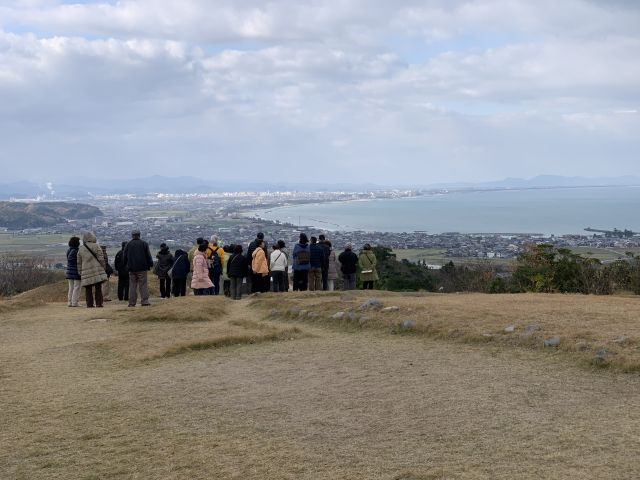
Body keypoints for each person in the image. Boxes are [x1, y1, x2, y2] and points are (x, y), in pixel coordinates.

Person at [123, 229, 154, 307]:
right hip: (142, 268)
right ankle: (145, 301)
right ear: (139, 235)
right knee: (143, 284)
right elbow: (148, 256)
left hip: (132, 268)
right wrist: (150, 264)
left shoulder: (128, 244)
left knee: (132, 285)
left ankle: (132, 302)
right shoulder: (144, 244)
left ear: (132, 235)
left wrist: (126, 265)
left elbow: (124, 257)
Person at [77, 231, 108, 308]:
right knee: (98, 287)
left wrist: (80, 271)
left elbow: (79, 262)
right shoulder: (96, 246)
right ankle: (99, 303)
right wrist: (103, 267)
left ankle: (89, 304)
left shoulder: (81, 249)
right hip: (96, 269)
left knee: (88, 288)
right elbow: (101, 259)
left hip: (85, 270)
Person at [65, 236, 81, 307]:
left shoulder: (69, 250)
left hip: (69, 271)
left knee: (71, 287)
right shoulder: (76, 251)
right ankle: (74, 302)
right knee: (77, 287)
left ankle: (69, 302)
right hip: (76, 271)